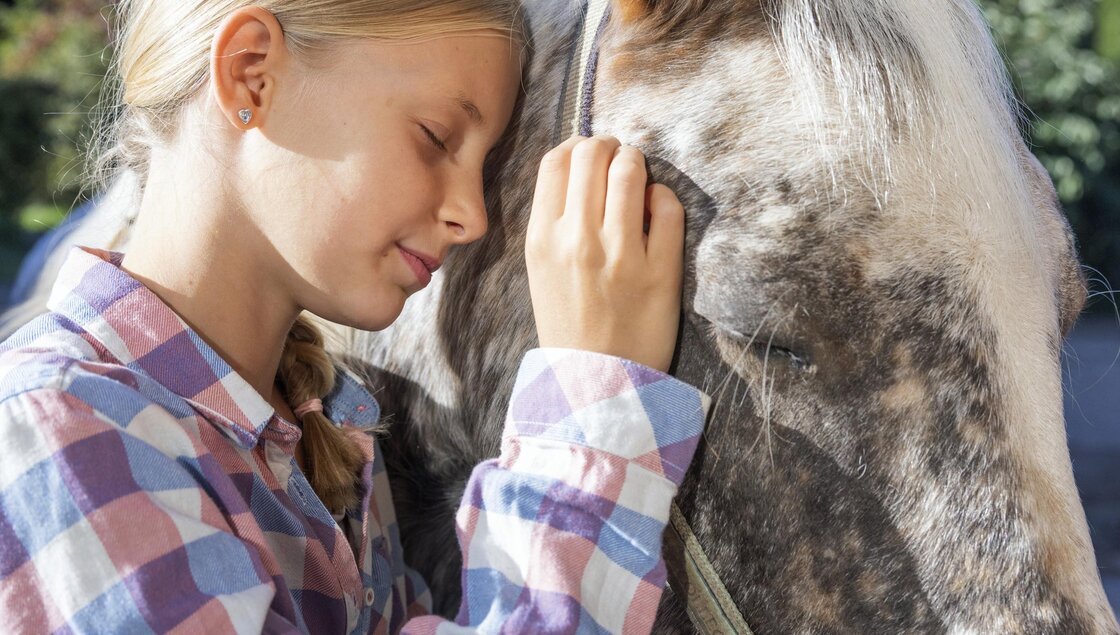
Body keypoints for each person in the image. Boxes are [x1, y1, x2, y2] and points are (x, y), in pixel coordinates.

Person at [0, 1, 708, 633]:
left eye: (483, 164)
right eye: (436, 137)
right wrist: (590, 416)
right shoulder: (53, 434)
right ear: (251, 74)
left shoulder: (329, 440)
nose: (472, 215)